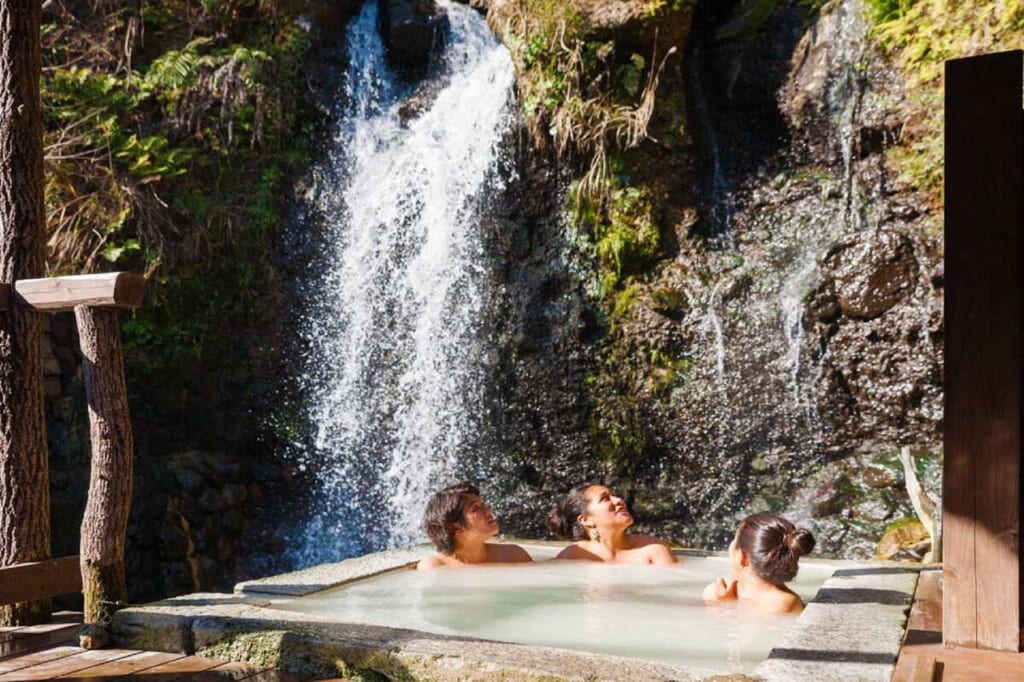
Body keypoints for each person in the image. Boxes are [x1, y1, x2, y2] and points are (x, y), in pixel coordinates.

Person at [702, 512, 815, 614]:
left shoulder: (782, 603)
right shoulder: (726, 591)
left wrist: (721, 608)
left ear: (743, 557)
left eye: (734, 541)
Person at [546, 483, 677, 564]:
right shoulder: (573, 555)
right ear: (586, 520)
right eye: (605, 498)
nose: (619, 500)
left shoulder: (653, 550)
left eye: (614, 495)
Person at [416, 482, 533, 570]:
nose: (489, 511)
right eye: (475, 509)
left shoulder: (513, 555)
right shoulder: (434, 566)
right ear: (454, 527)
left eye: (483, 506)